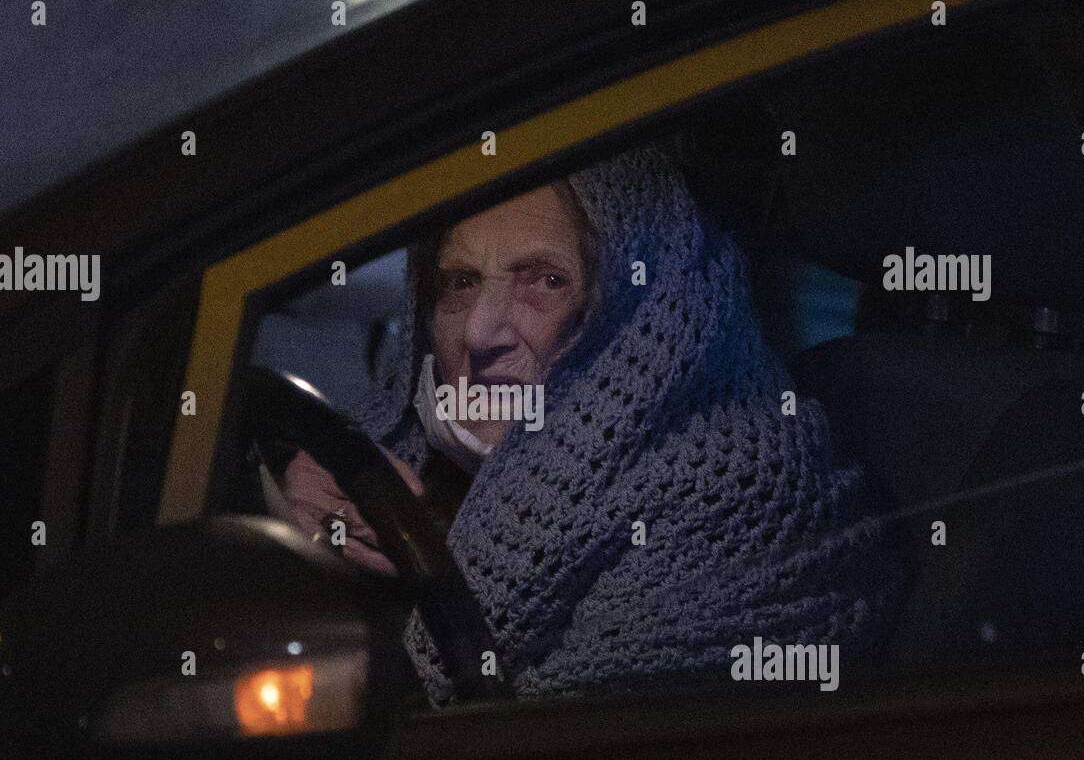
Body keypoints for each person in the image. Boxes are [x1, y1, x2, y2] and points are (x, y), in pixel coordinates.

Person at [280, 141, 892, 705]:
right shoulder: (379, 454)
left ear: (635, 319)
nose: (478, 332)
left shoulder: (743, 498)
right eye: (459, 284)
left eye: (545, 281)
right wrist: (289, 520)